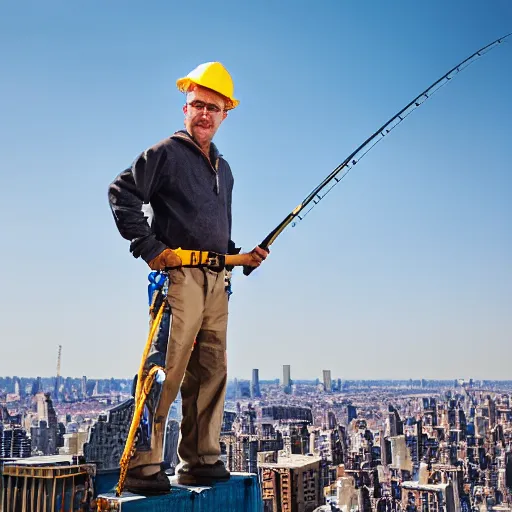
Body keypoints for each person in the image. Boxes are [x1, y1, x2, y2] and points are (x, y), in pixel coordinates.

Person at [108, 61, 268, 494]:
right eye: (196, 104)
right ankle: (143, 465)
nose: (203, 113)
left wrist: (241, 258)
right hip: (179, 279)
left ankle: (201, 460)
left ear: (225, 114)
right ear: (185, 108)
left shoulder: (225, 170)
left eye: (212, 107)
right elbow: (121, 193)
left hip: (218, 281)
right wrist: (150, 248)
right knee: (164, 369)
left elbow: (216, 233)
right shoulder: (166, 153)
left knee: (211, 372)